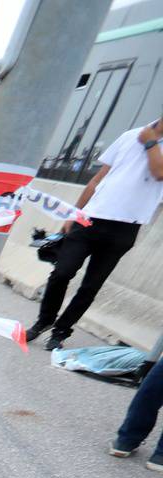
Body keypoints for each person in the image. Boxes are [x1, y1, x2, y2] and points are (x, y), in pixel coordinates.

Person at [29, 115, 163, 350]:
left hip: (126, 227)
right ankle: (44, 321)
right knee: (62, 273)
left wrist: (151, 143)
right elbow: (97, 180)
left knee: (91, 286)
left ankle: (61, 332)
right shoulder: (129, 136)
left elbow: (159, 173)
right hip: (90, 219)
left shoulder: (148, 140)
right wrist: (74, 213)